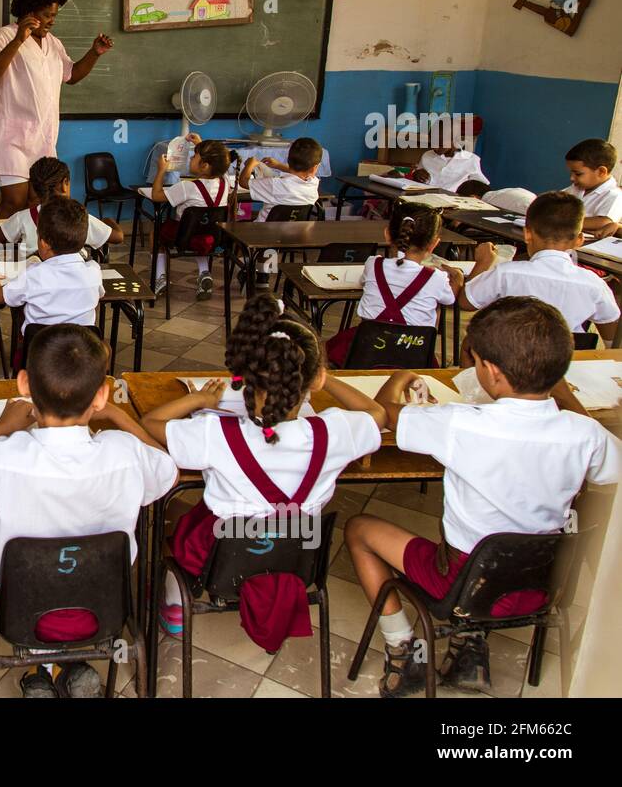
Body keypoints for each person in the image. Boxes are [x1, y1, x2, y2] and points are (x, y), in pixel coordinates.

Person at [347, 297, 619, 696]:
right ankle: (469, 645)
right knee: (498, 547)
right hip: (542, 586)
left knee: (358, 529)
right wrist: (569, 404)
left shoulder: (461, 424)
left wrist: (403, 375)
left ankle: (404, 649)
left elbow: (385, 414)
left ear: (491, 372)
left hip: (461, 585)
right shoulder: (586, 434)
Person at [0, 325, 177, 697]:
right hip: (104, 606)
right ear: (100, 394)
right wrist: (116, 415)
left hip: (16, 612)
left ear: (23, 384)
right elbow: (167, 470)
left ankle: (39, 663)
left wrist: (1, 426)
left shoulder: (5, 456)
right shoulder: (124, 452)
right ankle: (63, 661)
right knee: (64, 571)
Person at [141, 294, 385, 649]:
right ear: (312, 379)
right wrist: (324, 379)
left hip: (221, 560)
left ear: (246, 378)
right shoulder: (331, 433)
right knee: (201, 518)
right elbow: (377, 413)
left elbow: (152, 422)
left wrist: (201, 401)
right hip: (299, 556)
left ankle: (177, 609)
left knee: (178, 519)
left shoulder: (218, 434)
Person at [0, 0, 113, 218]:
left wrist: (95, 53)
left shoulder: (53, 43)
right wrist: (19, 39)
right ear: (29, 12)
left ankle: (34, 252)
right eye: (47, 15)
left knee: (40, 201)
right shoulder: (3, 36)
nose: (52, 21)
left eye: (54, 15)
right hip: (12, 137)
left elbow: (71, 75)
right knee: (14, 201)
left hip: (44, 137)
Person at [459, 191, 619, 343]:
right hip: (565, 364)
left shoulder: (506, 273)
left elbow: (466, 302)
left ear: (527, 234)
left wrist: (483, 262)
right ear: (579, 240)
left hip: (508, 360)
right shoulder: (594, 284)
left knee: (469, 343)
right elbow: (611, 336)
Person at [324, 203, 461, 367]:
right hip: (413, 355)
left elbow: (364, 281)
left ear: (387, 235)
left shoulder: (373, 264)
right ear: (434, 244)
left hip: (366, 350)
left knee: (328, 349)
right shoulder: (436, 278)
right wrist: (458, 279)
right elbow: (450, 299)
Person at [0, 197, 104, 365]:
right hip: (81, 360)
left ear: (43, 243)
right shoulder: (93, 272)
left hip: (39, 359)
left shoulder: (34, 275)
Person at [149, 138, 234, 300]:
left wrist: (161, 170)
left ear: (205, 165)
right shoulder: (224, 183)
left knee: (156, 233)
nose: (190, 158)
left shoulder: (188, 187)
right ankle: (204, 272)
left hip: (184, 236)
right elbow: (219, 166)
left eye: (194, 156)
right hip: (212, 238)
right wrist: (200, 144)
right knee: (201, 233)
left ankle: (160, 277)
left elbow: (156, 195)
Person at [0, 157, 122, 257]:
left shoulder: (23, 217)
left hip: (34, 278)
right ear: (65, 184)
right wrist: (109, 220)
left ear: (35, 188)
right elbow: (118, 237)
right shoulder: (79, 216)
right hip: (73, 278)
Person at [238, 138, 323, 221]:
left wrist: (250, 164)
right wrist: (278, 165)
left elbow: (243, 182)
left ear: (288, 160)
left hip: (264, 233)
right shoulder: (314, 183)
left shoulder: (274, 185)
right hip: (296, 233)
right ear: (314, 168)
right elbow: (299, 173)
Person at [563, 138, 622, 236]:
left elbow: (604, 222)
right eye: (571, 172)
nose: (572, 178)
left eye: (578, 174)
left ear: (601, 172)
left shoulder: (615, 195)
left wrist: (562, 222)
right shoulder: (577, 188)